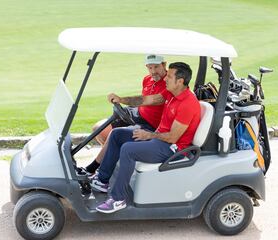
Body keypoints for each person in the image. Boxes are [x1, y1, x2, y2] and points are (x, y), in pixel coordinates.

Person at [90, 62, 201, 213]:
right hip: (159, 138)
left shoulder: (188, 104)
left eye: (169, 76)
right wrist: (121, 99)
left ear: (180, 81)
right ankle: (102, 181)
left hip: (171, 148)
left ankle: (118, 199)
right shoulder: (171, 93)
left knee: (128, 149)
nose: (165, 79)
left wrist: (148, 134)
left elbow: (173, 138)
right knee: (117, 135)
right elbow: (145, 100)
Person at [81, 54, 167, 175]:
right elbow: (143, 103)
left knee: (113, 135)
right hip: (136, 113)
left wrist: (121, 99)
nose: (153, 71)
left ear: (164, 65)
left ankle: (93, 168)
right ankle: (110, 160)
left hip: (150, 124)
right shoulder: (147, 79)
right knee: (99, 128)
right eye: (150, 67)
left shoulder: (170, 84)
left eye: (156, 67)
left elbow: (144, 100)